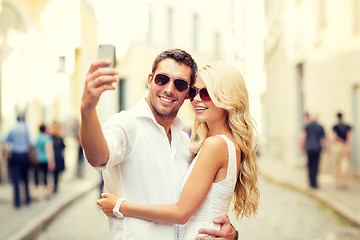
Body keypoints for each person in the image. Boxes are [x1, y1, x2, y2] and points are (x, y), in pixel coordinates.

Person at [80, 49, 238, 240]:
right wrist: (88, 109)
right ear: (150, 80)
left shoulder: (185, 142)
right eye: (162, 79)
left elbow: (195, 205)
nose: (169, 89)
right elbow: (97, 157)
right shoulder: (127, 123)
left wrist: (230, 233)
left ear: (187, 93)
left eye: (180, 84)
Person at [3, 114, 32, 208]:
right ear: (23, 119)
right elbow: (30, 142)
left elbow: (6, 140)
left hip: (15, 155)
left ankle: (17, 201)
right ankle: (27, 198)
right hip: (24, 155)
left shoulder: (13, 128)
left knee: (15, 179)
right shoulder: (25, 128)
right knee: (26, 178)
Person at [299, 114, 326, 189]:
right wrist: (325, 148)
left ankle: (311, 183)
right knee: (316, 165)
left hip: (309, 148)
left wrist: (301, 147)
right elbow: (323, 138)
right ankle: (315, 183)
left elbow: (302, 137)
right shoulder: (320, 126)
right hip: (317, 148)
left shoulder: (307, 126)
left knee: (310, 165)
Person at [332, 112, 352, 189]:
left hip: (337, 146)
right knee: (345, 165)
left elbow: (334, 137)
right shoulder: (348, 126)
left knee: (337, 165)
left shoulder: (335, 126)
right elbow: (349, 138)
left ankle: (337, 182)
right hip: (345, 146)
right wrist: (348, 147)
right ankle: (344, 183)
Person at [34, 124, 54, 199]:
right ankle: (46, 193)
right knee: (45, 176)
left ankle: (38, 194)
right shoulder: (48, 138)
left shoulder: (37, 138)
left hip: (38, 159)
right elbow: (50, 150)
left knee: (37, 176)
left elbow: (35, 149)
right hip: (45, 159)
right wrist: (51, 161)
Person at [50, 121, 66, 193]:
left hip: (54, 156)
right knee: (57, 173)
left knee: (54, 173)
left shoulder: (51, 137)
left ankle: (54, 187)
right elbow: (63, 147)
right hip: (59, 156)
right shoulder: (60, 137)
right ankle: (55, 186)